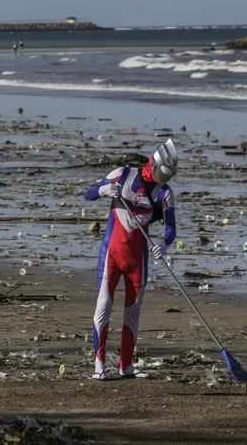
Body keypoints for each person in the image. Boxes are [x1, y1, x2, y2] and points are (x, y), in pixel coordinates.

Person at [84, 139, 178, 380]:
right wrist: (104, 190)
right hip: (111, 255)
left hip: (138, 260)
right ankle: (99, 364)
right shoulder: (122, 174)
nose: (161, 181)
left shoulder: (165, 194)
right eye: (160, 175)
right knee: (103, 306)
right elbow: (89, 194)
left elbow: (170, 228)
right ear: (152, 164)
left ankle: (126, 365)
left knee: (133, 311)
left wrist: (164, 245)